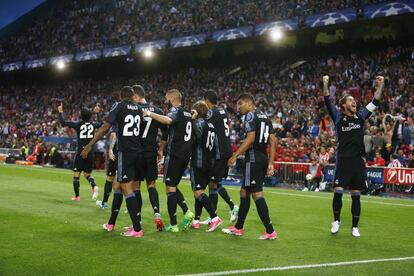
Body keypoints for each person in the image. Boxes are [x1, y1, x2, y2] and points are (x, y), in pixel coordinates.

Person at [323, 75, 384, 237]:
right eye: (350, 100)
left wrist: (381, 85)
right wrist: (325, 84)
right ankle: (336, 221)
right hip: (343, 161)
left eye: (354, 100)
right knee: (338, 191)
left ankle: (355, 227)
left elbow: (375, 101)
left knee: (356, 195)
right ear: (343, 105)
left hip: (358, 161)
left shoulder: (361, 116)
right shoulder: (338, 117)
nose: (354, 101)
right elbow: (327, 100)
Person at [82, 86, 144, 238]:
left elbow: (105, 128)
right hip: (138, 151)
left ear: (122, 96)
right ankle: (111, 223)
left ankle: (137, 229)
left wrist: (90, 145)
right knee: (117, 186)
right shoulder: (139, 109)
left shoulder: (119, 105)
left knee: (126, 189)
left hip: (125, 152)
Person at [222, 93, 277, 240]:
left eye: (240, 104)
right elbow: (273, 142)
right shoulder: (266, 117)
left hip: (253, 157)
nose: (238, 107)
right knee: (243, 191)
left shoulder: (251, 116)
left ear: (249, 104)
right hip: (262, 157)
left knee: (256, 193)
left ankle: (270, 230)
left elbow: (250, 139)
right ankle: (239, 228)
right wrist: (270, 163)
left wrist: (235, 155)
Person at [143, 89, 194, 232]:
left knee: (169, 188)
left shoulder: (176, 110)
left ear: (172, 98)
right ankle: (186, 211)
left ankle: (173, 225)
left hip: (175, 154)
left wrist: (149, 113)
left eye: (166, 97)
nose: (165, 100)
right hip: (185, 155)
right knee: (172, 185)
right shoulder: (188, 113)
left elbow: (168, 120)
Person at [133, 84, 167, 231]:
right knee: (151, 185)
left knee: (135, 187)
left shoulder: (134, 110)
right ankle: (157, 215)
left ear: (136, 96)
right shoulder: (157, 110)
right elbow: (166, 133)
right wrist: (161, 149)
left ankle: (138, 221)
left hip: (137, 152)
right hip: (151, 152)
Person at [202, 89, 238, 225]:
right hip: (225, 149)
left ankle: (232, 207)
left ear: (206, 100)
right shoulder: (222, 111)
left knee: (214, 182)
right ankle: (214, 215)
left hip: (219, 152)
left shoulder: (212, 113)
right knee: (213, 182)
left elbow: (203, 124)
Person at [189, 101, 223, 231]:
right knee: (199, 192)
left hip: (198, 162)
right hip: (209, 163)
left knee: (198, 192)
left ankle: (214, 217)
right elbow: (215, 146)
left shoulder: (199, 123)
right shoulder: (212, 125)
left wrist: (192, 120)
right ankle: (196, 220)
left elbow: (198, 136)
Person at [58, 103, 101, 201]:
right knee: (87, 174)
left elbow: (63, 122)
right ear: (90, 116)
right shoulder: (93, 125)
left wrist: (60, 111)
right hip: (90, 152)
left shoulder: (78, 124)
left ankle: (77, 196)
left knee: (77, 174)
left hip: (81, 152)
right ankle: (94, 186)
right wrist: (98, 113)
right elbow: (101, 123)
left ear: (81, 115)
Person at [95, 129, 117, 209]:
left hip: (116, 154)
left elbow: (114, 136)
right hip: (128, 154)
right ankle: (132, 207)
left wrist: (111, 149)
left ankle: (104, 203)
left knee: (110, 179)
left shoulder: (117, 121)